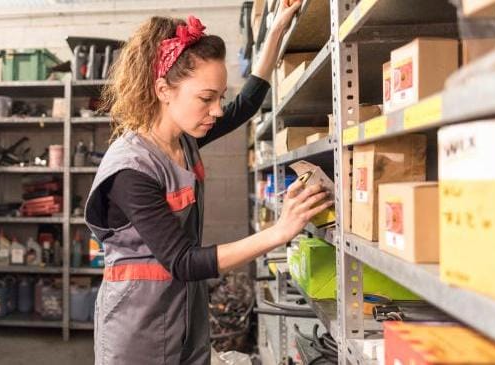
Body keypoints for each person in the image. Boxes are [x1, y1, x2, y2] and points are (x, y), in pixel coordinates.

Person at [84, 1, 331, 363]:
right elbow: (184, 261)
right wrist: (279, 232)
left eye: (219, 97)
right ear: (163, 90)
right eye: (206, 98)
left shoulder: (184, 139)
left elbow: (246, 105)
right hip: (138, 326)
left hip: (185, 310)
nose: (216, 110)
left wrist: (276, 30)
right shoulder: (130, 170)